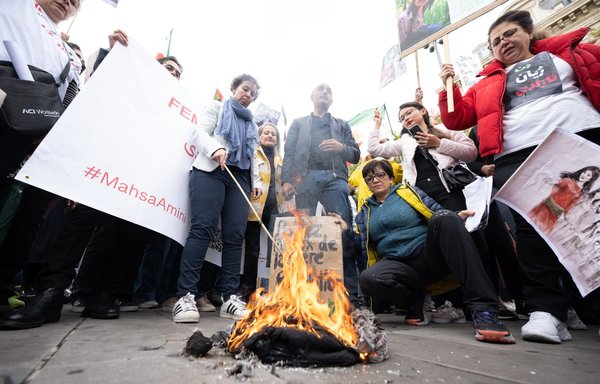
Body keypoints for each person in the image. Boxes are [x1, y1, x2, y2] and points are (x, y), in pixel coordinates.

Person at [438, 10, 600, 343]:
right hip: (521, 155)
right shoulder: (486, 83)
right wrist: (448, 86)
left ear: (528, 33)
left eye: (509, 34)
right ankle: (546, 311)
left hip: (579, 140)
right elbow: (456, 118)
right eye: (495, 41)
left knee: (593, 218)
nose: (502, 43)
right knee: (536, 228)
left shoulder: (572, 53)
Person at [332, 159, 515, 344]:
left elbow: (437, 212)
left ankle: (484, 309)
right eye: (370, 178)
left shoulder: (408, 192)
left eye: (380, 175)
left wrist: (454, 217)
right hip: (398, 266)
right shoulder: (364, 212)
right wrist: (346, 230)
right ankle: (415, 301)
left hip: (428, 254)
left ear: (391, 177)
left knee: (445, 217)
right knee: (369, 278)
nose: (375, 180)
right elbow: (360, 247)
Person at [0, 0, 82, 315]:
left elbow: (73, 98)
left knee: (29, 216)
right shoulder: (15, 10)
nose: (67, 1)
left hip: (45, 141)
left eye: (76, 1)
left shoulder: (68, 56)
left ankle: (4, 285)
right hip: (8, 118)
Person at [172, 74, 262, 323]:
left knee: (235, 236)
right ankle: (186, 295)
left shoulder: (252, 124)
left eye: (253, 93)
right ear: (234, 88)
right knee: (203, 229)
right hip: (211, 171)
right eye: (245, 89)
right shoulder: (216, 107)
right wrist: (216, 148)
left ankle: (229, 297)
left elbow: (252, 156)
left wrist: (256, 183)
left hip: (240, 179)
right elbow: (199, 132)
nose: (249, 95)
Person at [281, 83, 361, 306]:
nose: (325, 92)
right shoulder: (298, 123)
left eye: (329, 90)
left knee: (341, 231)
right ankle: (302, 291)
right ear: (312, 96)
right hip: (305, 179)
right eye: (320, 89)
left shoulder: (342, 125)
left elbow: (355, 154)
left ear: (332, 99)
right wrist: (287, 180)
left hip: (335, 179)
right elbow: (288, 153)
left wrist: (340, 147)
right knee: (303, 233)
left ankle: (350, 296)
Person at [240, 123, 285, 300]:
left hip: (275, 208)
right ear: (259, 136)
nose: (270, 136)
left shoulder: (280, 159)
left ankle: (277, 289)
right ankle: (247, 290)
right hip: (256, 206)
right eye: (266, 133)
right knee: (252, 249)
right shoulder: (253, 153)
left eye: (273, 134)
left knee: (277, 249)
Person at [529, 166, 600, 234]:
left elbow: (571, 204)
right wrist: (551, 180)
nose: (583, 175)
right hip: (546, 207)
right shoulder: (569, 181)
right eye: (584, 172)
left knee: (541, 231)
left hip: (556, 214)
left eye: (588, 175)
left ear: (591, 179)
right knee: (532, 226)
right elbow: (559, 182)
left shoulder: (582, 192)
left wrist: (563, 214)